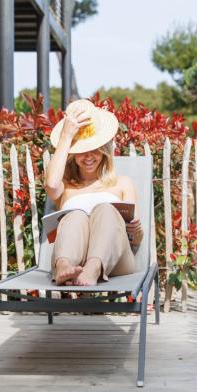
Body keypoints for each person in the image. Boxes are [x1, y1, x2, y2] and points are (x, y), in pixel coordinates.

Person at [45, 99, 143, 286]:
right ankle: (63, 266)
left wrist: (136, 231)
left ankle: (94, 267)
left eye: (94, 150)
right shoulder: (65, 185)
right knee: (75, 216)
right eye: (81, 151)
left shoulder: (122, 183)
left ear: (104, 151)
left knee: (105, 209)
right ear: (72, 154)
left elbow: (135, 239)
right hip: (74, 258)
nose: (88, 156)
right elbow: (50, 184)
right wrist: (66, 137)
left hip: (116, 260)